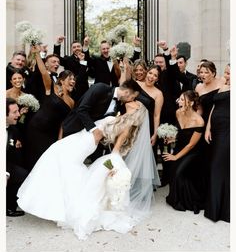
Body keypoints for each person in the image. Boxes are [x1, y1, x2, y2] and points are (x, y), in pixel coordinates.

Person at [17, 101, 160, 240]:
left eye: (136, 104)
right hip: (87, 143)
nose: (133, 101)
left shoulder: (128, 125)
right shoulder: (121, 118)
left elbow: (116, 149)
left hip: (101, 153)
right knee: (80, 178)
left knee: (86, 183)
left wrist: (113, 167)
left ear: (137, 111)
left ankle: (70, 209)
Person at [24, 45, 75, 170]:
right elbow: (43, 72)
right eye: (70, 79)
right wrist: (37, 54)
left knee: (47, 163)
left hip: (50, 134)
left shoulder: (72, 102)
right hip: (36, 128)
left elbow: (63, 122)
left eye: (74, 80)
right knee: (34, 161)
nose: (73, 81)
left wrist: (59, 140)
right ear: (62, 81)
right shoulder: (51, 89)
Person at [163, 91, 205, 214]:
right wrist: (172, 138)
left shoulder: (199, 121)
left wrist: (176, 157)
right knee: (173, 171)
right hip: (180, 147)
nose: (179, 101)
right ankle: (178, 198)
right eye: (179, 99)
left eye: (182, 100)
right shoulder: (178, 112)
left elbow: (191, 144)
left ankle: (190, 200)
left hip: (193, 152)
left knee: (178, 172)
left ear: (191, 103)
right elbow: (180, 133)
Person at [61, 78, 141, 141]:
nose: (131, 100)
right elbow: (81, 110)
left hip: (89, 137)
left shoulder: (120, 103)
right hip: (73, 130)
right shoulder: (100, 88)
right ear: (126, 92)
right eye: (132, 97)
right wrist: (95, 130)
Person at [204, 64, 230, 222]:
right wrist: (208, 128)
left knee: (218, 166)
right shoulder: (223, 85)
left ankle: (221, 209)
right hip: (216, 130)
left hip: (228, 130)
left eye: (228, 73)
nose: (226, 75)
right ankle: (216, 206)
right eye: (226, 72)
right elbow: (214, 107)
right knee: (217, 165)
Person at [6, 98, 28, 217]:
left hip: (6, 163)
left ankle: (9, 207)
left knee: (22, 174)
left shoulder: (12, 128)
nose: (18, 114)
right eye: (14, 112)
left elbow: (20, 128)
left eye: (18, 111)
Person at [53, 35, 90, 103]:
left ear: (81, 47)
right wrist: (58, 43)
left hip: (85, 91)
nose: (76, 48)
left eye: (78, 46)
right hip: (72, 91)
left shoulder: (86, 58)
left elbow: (87, 56)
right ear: (71, 49)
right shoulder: (68, 59)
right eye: (74, 47)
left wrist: (86, 45)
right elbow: (56, 57)